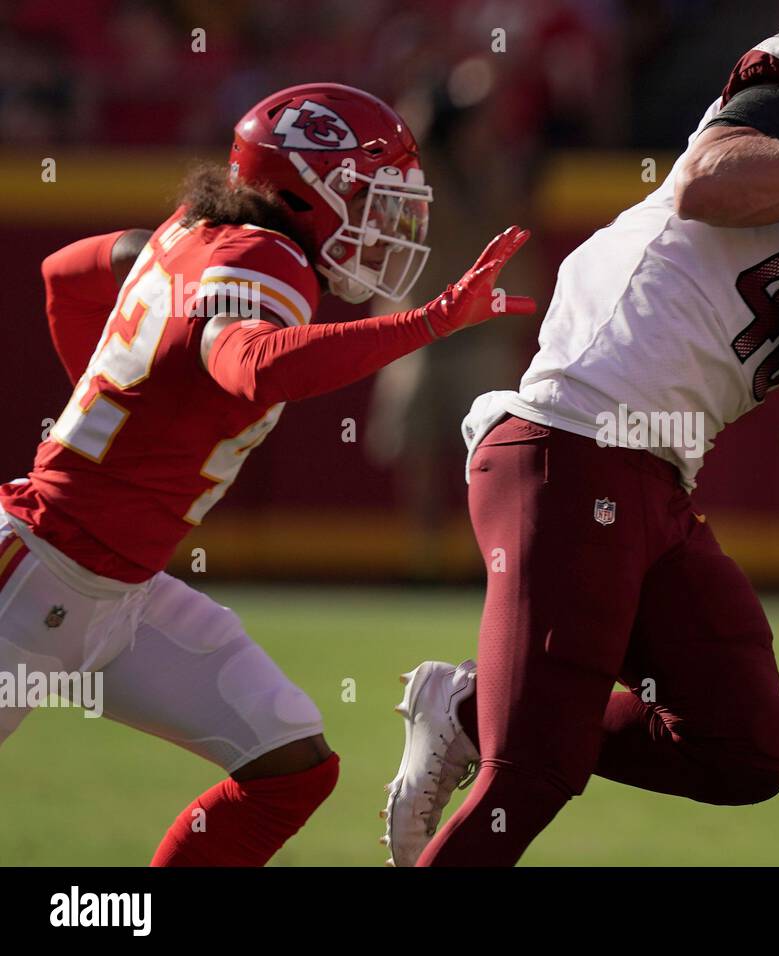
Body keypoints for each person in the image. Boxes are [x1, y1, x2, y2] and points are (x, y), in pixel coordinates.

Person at [381, 29, 779, 866]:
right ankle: (512, 717)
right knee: (533, 771)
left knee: (743, 746)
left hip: (658, 481)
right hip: (573, 429)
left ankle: (477, 709)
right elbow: (701, 183)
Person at [0, 82, 532, 865]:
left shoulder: (193, 231)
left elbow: (65, 275)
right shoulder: (270, 258)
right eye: (372, 202)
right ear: (307, 192)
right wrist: (428, 321)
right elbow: (248, 366)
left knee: (289, 766)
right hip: (35, 574)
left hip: (120, 590)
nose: (387, 231)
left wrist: (130, 407)